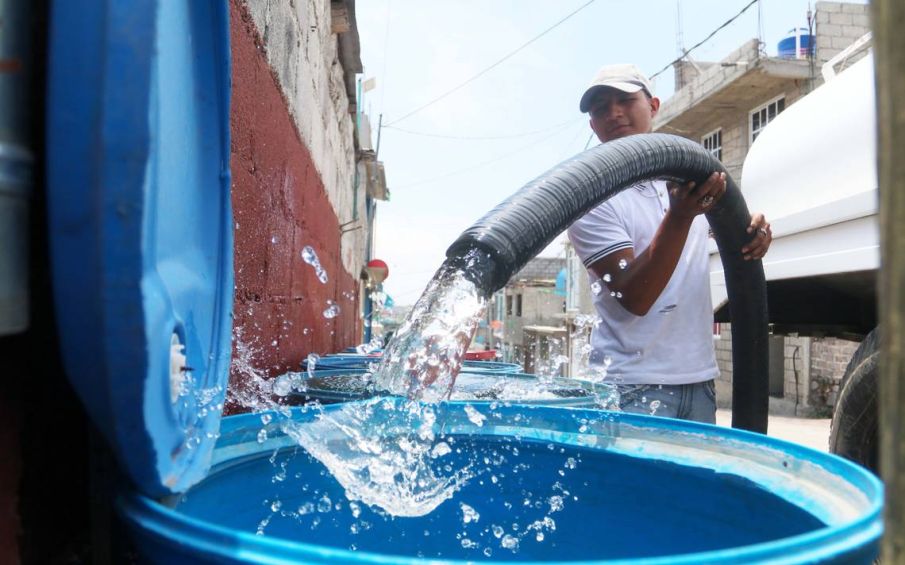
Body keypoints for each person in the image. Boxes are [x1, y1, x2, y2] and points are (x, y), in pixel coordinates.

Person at [567, 64, 772, 423]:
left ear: (654, 106)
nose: (613, 112)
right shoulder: (590, 198)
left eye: (625, 100)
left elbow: (727, 235)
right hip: (629, 388)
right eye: (601, 108)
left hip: (699, 382)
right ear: (592, 125)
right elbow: (635, 296)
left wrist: (751, 234)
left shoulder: (686, 179)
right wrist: (679, 217)